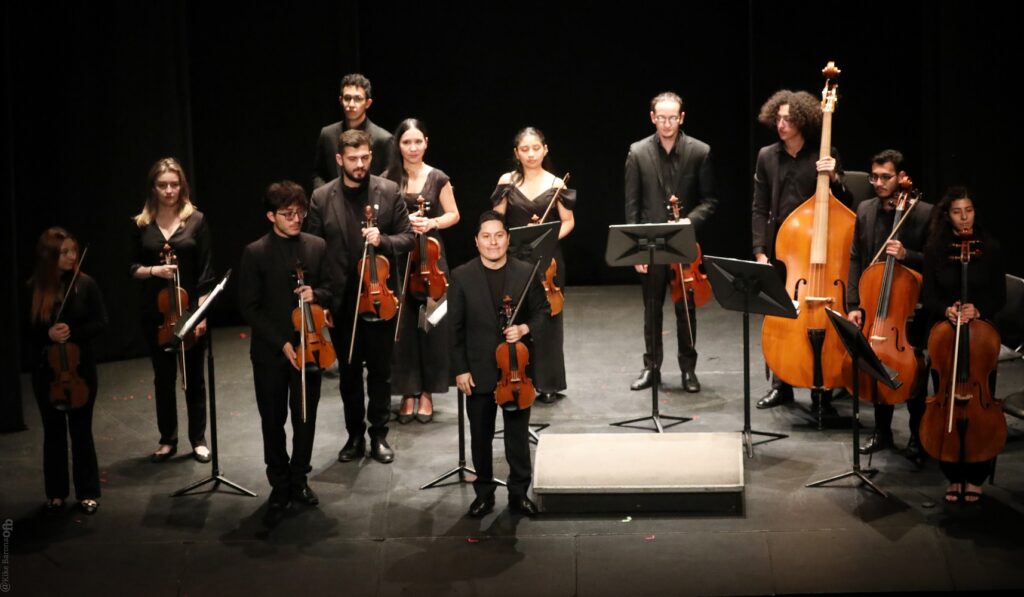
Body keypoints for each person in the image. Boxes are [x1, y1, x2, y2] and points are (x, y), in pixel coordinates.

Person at [306, 129, 414, 464]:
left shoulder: (389, 191)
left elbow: (408, 238)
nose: (360, 164)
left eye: (365, 157)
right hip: (340, 301)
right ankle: (354, 436)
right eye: (353, 159)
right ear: (339, 160)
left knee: (380, 373)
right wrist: (320, 304)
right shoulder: (322, 198)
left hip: (380, 298)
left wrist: (383, 241)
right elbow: (312, 251)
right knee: (349, 374)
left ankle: (378, 435)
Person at [239, 181, 334, 522]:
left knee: (305, 417)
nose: (297, 219)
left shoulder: (316, 246)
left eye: (300, 212)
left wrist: (317, 295)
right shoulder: (256, 252)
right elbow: (249, 307)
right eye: (288, 214)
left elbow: (331, 287)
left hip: (311, 347)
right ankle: (279, 484)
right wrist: (282, 343)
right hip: (271, 352)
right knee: (273, 420)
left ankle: (299, 479)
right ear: (270, 216)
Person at [751, 90, 851, 412]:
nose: (781, 124)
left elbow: (845, 202)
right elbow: (759, 206)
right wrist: (759, 250)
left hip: (817, 247)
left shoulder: (822, 153)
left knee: (820, 316)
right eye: (778, 118)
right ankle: (782, 385)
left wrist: (834, 175)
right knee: (781, 317)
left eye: (788, 119)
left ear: (803, 120)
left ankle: (820, 387)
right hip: (784, 249)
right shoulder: (767, 156)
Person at [449, 211, 549, 517]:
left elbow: (543, 312)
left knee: (517, 436)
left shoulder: (527, 271)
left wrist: (524, 329)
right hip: (477, 370)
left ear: (507, 238)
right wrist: (460, 370)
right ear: (476, 242)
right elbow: (454, 328)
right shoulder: (462, 276)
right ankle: (484, 493)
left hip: (516, 371)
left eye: (499, 235)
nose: (493, 242)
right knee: (480, 436)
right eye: (486, 236)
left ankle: (519, 493)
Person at [624, 91, 718, 393]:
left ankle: (688, 370)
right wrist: (636, 246)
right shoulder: (637, 152)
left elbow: (710, 200)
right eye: (661, 118)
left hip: (683, 245)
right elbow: (633, 206)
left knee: (685, 310)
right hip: (651, 246)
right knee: (651, 308)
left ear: (682, 118)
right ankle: (651, 366)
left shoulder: (699, 151)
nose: (667, 123)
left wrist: (689, 220)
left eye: (672, 118)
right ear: (653, 118)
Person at [920, 186, 1006, 503]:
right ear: (947, 215)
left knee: (982, 400)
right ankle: (952, 475)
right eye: (957, 212)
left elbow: (1000, 295)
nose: (964, 217)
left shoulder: (991, 248)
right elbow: (928, 295)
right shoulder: (935, 250)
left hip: (981, 339)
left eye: (968, 210)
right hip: (945, 335)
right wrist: (947, 310)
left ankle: (977, 474)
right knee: (946, 404)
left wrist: (977, 309)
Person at [845, 150, 932, 459]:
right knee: (875, 363)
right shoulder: (866, 209)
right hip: (874, 306)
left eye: (885, 177)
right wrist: (854, 303)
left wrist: (908, 255)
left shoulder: (922, 213)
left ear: (900, 177)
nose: (878, 183)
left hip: (910, 310)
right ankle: (882, 433)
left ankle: (917, 438)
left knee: (915, 374)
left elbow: (934, 262)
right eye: (874, 177)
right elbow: (856, 257)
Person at [130, 158, 215, 463]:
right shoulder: (142, 224)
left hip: (190, 310)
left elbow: (206, 273)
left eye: (174, 184)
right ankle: (168, 439)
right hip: (157, 314)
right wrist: (155, 271)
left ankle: (198, 438)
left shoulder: (197, 220)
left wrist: (200, 315)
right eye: (163, 185)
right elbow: (132, 268)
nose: (169, 190)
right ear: (153, 188)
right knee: (162, 378)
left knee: (194, 376)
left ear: (182, 186)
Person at [489, 127, 575, 404]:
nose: (530, 154)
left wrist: (546, 238)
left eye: (535, 148)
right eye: (524, 149)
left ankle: (548, 382)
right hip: (514, 256)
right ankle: (517, 376)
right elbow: (497, 219)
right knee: (515, 313)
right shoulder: (507, 180)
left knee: (549, 316)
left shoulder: (556, 183)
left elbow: (569, 222)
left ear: (545, 149)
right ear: (516, 153)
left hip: (548, 259)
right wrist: (506, 239)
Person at [27, 228, 107, 515]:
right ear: (49, 256)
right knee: (54, 433)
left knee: (82, 431)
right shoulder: (34, 288)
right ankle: (56, 493)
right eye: (65, 252)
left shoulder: (85, 285)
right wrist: (47, 333)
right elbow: (26, 332)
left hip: (80, 370)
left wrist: (73, 331)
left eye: (73, 251)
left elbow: (101, 322)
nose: (72, 256)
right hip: (47, 373)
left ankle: (88, 492)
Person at [385, 119, 460, 423]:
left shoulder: (438, 177)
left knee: (432, 323)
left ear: (426, 142)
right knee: (402, 328)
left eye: (418, 142)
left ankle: (428, 391)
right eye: (407, 142)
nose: (413, 148)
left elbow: (454, 215)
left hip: (432, 260)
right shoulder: (388, 179)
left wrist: (432, 223)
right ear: (398, 145)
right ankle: (407, 391)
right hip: (399, 259)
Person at [312, 73, 392, 188]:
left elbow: (387, 180)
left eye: (358, 99)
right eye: (347, 98)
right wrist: (326, 199)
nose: (351, 104)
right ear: (341, 100)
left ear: (368, 103)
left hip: (369, 202)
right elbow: (318, 174)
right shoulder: (327, 134)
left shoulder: (383, 139)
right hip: (332, 202)